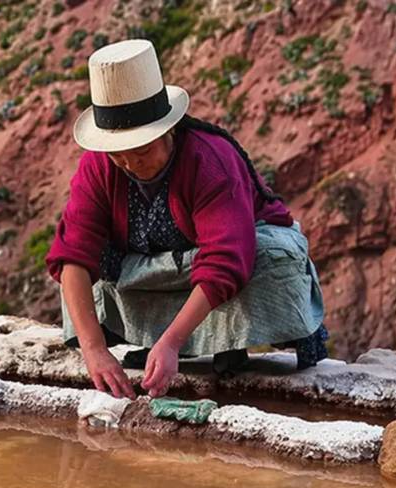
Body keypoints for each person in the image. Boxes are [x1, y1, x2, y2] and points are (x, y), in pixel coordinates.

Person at [46, 39, 328, 399]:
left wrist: (172, 343)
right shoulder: (98, 166)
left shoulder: (210, 160)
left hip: (221, 263)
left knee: (271, 258)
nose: (131, 165)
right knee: (86, 277)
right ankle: (148, 340)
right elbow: (73, 252)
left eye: (143, 151)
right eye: (119, 156)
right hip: (154, 268)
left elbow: (225, 260)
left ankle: (205, 343)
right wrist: (94, 350)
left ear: (168, 131)